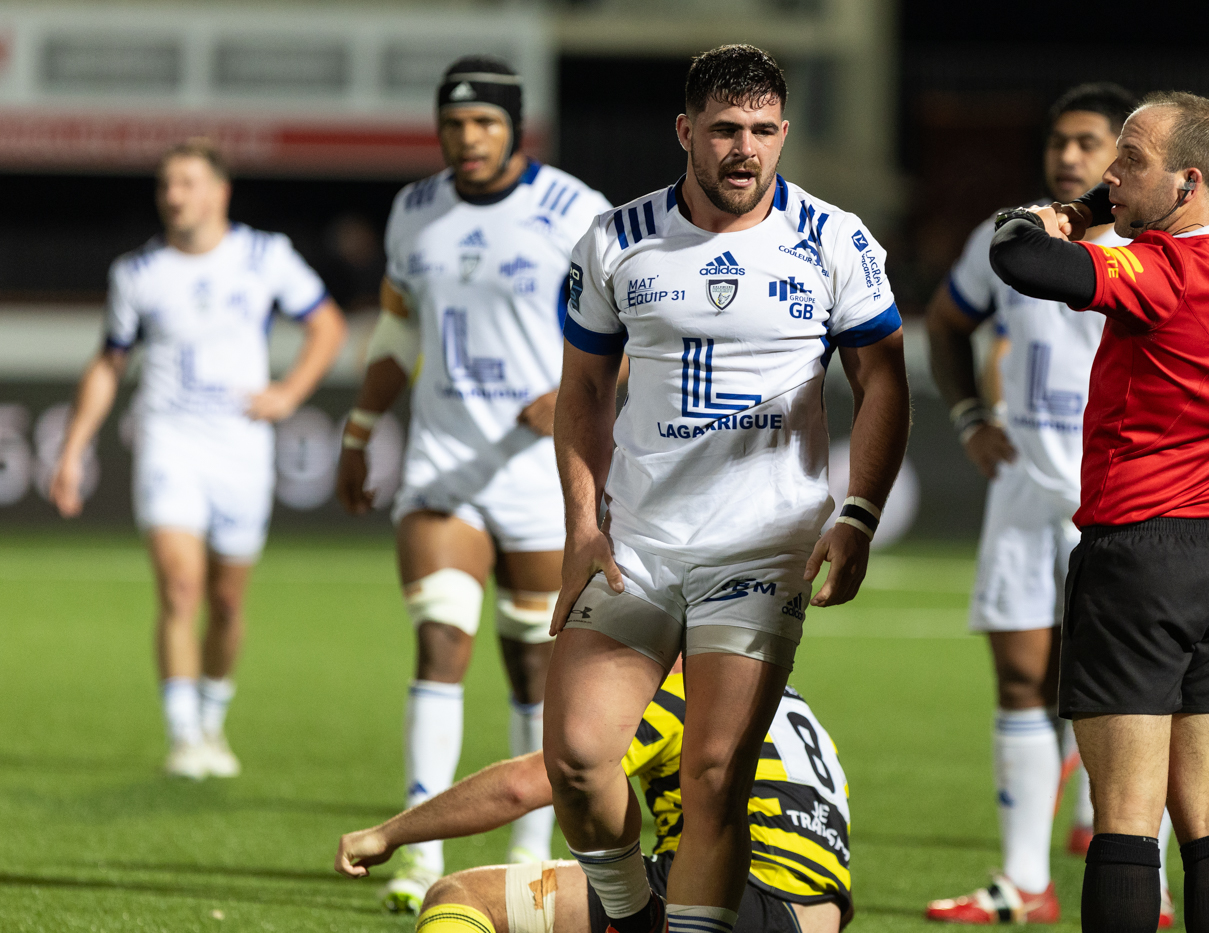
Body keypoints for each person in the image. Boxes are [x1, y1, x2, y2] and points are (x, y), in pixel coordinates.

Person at [545, 44, 908, 933]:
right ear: (686, 132)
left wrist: (858, 514)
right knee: (579, 761)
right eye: (723, 130)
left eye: (762, 130)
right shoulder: (616, 239)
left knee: (714, 774)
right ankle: (633, 918)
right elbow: (584, 390)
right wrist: (583, 525)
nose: (744, 149)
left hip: (763, 546)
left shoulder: (835, 239)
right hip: (639, 544)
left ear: (783, 132)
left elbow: (884, 384)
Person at [988, 91, 1209, 933]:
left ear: (1188, 183)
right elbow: (1206, 192)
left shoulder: (1163, 274)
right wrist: (1122, 199)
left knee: (1122, 818)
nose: (1109, 173)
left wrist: (1071, 213)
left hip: (1141, 559)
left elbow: (1017, 254)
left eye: (1130, 160)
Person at [334, 56, 610, 910]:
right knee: (440, 638)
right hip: (442, 462)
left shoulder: (575, 209)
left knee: (534, 666)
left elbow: (635, 327)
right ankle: (419, 854)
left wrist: (575, 396)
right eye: (454, 124)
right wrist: (361, 425)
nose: (468, 138)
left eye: (485, 122)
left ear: (515, 127)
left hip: (539, 472)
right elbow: (396, 328)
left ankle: (527, 849)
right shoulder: (414, 210)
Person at [921, 83, 1183, 927]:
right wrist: (970, 415)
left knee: (1136, 696)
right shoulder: (1008, 239)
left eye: (1090, 144)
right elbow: (945, 322)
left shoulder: (1161, 249)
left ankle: (1150, 877)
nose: (1069, 156)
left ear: (1125, 161)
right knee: (1022, 681)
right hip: (1027, 497)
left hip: (1125, 504)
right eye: (1059, 141)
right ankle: (1024, 882)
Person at [49, 139, 347, 780]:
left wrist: (289, 393)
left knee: (228, 601)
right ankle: (184, 736)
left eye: (187, 183)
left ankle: (211, 718)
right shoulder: (138, 272)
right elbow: (109, 363)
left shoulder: (265, 256)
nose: (174, 196)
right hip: (169, 440)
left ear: (219, 192)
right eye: (166, 185)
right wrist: (72, 449)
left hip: (241, 446)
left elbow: (327, 325)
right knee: (179, 588)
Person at [335, 663, 852, 933]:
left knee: (462, 896)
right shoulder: (791, 709)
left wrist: (388, 834)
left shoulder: (686, 693)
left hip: (734, 900)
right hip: (816, 919)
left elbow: (526, 784)